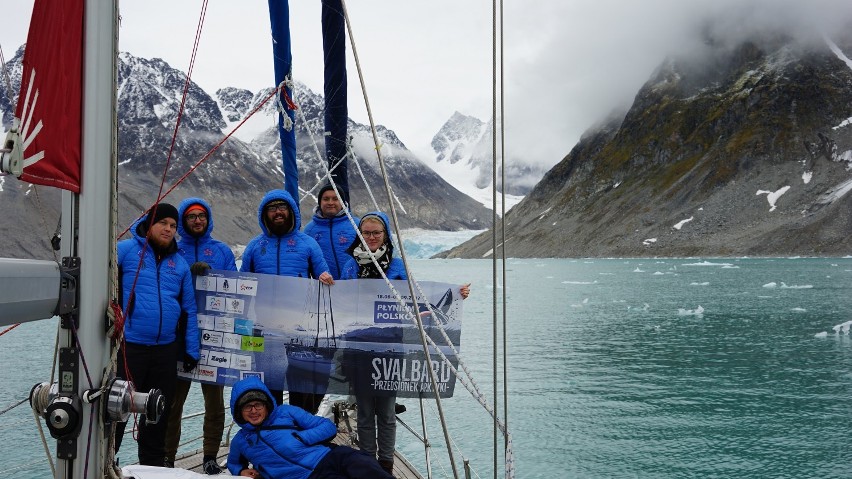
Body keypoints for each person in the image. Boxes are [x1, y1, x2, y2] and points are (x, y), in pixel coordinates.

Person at [340, 212, 469, 473]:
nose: (372, 237)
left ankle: (385, 463)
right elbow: (340, 299)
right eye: (367, 233)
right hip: (359, 346)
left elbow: (416, 299)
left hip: (390, 346)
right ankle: (367, 461)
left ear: (385, 235)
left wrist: (455, 295)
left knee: (386, 412)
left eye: (377, 233)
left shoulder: (397, 266)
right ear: (360, 235)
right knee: (364, 410)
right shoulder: (349, 265)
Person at [114, 202, 200, 466]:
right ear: (149, 224)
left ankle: (151, 466)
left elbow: (189, 309)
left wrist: (191, 349)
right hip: (129, 348)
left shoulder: (180, 264)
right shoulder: (124, 252)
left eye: (173, 226)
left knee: (157, 411)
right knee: (116, 410)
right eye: (163, 223)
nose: (168, 229)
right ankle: (105, 462)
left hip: (165, 349)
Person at [240, 189, 334, 413]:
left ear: (291, 211)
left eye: (282, 207)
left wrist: (324, 278)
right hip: (264, 328)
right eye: (272, 209)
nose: (278, 212)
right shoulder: (254, 246)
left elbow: (324, 278)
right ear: (264, 214)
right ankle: (273, 433)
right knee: (269, 385)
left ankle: (298, 432)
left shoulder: (308, 244)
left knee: (300, 385)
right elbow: (242, 285)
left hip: (300, 330)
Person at [163, 197, 238, 474]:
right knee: (173, 404)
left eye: (201, 216)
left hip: (213, 337)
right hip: (179, 336)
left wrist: (213, 278)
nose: (197, 220)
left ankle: (209, 456)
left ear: (208, 219)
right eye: (192, 216)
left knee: (214, 404)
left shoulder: (221, 250)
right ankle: (167, 458)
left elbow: (235, 290)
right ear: (184, 220)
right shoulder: (173, 249)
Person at [226, 377, 394, 479]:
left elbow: (327, 426)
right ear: (239, 411)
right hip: (306, 476)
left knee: (367, 467)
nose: (254, 411)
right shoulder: (241, 441)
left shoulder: (286, 412)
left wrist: (302, 438)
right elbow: (233, 462)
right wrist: (240, 471)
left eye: (258, 405)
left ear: (267, 404)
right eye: (247, 407)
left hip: (329, 456)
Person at [303, 183, 358, 280]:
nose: (330, 202)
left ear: (342, 202)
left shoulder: (356, 224)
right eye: (326, 199)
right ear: (320, 202)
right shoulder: (309, 230)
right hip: (323, 288)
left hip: (354, 286)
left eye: (335, 199)